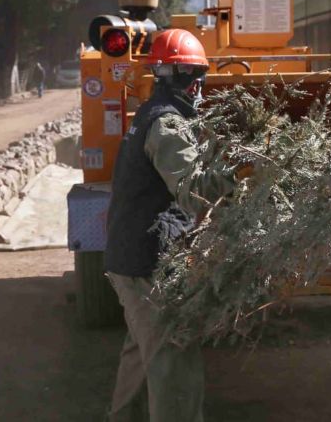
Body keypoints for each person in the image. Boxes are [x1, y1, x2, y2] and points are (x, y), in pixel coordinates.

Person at [104, 28, 246, 422]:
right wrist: (245, 169)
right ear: (188, 79)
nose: (201, 87)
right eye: (198, 78)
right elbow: (196, 191)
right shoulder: (167, 125)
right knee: (174, 362)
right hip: (145, 263)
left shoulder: (150, 115)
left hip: (130, 258)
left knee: (142, 349)